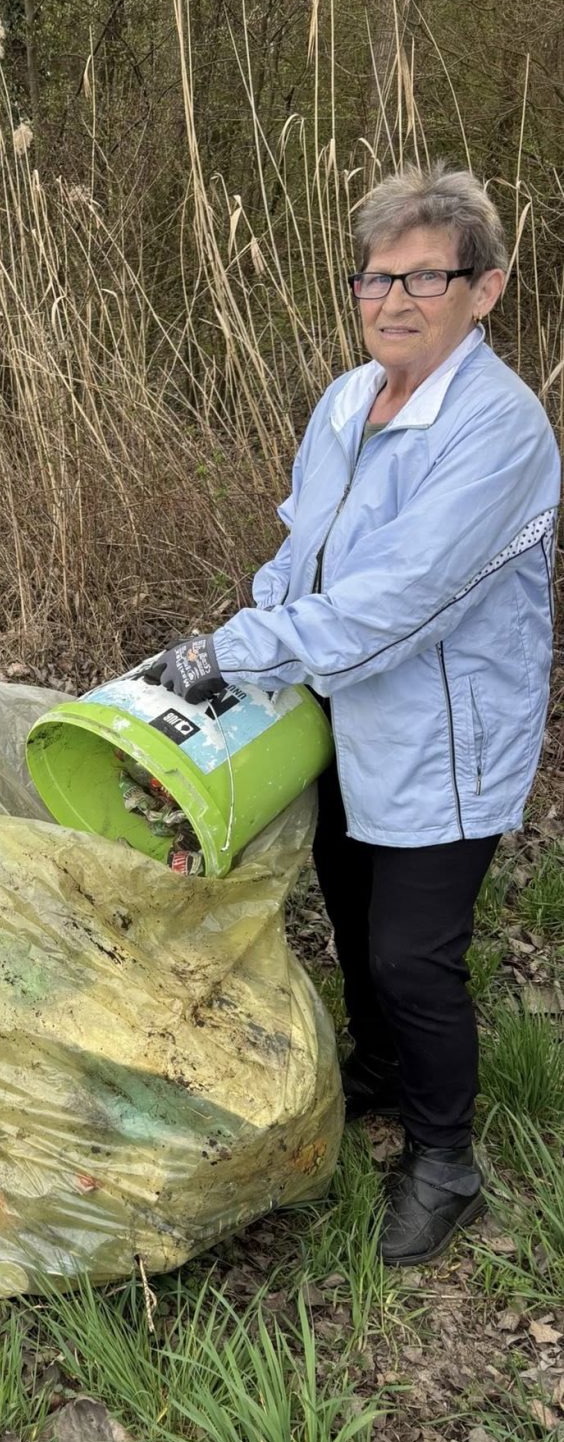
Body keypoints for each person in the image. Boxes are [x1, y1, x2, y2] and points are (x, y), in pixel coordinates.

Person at [146, 164, 559, 1266]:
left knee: (412, 955)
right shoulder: (346, 400)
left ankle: (444, 1159)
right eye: (376, 278)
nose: (395, 300)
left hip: (445, 731)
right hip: (339, 709)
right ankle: (379, 1067)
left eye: (427, 277)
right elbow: (306, 545)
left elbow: (398, 605)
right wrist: (250, 628)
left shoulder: (499, 430)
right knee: (351, 900)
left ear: (485, 288)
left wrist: (232, 652)